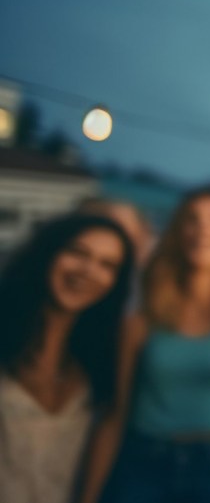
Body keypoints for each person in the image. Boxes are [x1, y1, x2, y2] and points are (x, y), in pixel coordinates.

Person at [79, 186, 210, 503]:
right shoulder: (143, 319)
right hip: (143, 461)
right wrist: (87, 497)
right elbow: (114, 416)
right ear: (178, 232)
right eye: (193, 219)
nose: (204, 229)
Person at [0, 214, 135, 503]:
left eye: (107, 265)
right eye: (77, 252)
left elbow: (112, 424)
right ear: (49, 252)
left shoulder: (100, 355)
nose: (88, 271)